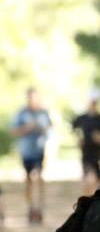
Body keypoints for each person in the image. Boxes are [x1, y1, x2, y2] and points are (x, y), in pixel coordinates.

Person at [11, 87, 52, 224]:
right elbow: (14, 131)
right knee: (28, 181)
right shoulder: (21, 113)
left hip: (39, 151)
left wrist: (42, 129)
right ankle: (30, 207)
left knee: (38, 177)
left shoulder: (43, 112)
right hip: (26, 152)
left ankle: (39, 208)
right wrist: (28, 127)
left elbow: (50, 128)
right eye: (30, 97)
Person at [71, 89, 100, 196]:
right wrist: (78, 139)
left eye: (95, 101)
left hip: (98, 154)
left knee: (98, 182)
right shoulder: (82, 118)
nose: (93, 103)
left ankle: (93, 202)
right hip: (86, 154)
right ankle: (87, 201)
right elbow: (73, 129)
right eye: (92, 101)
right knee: (89, 179)